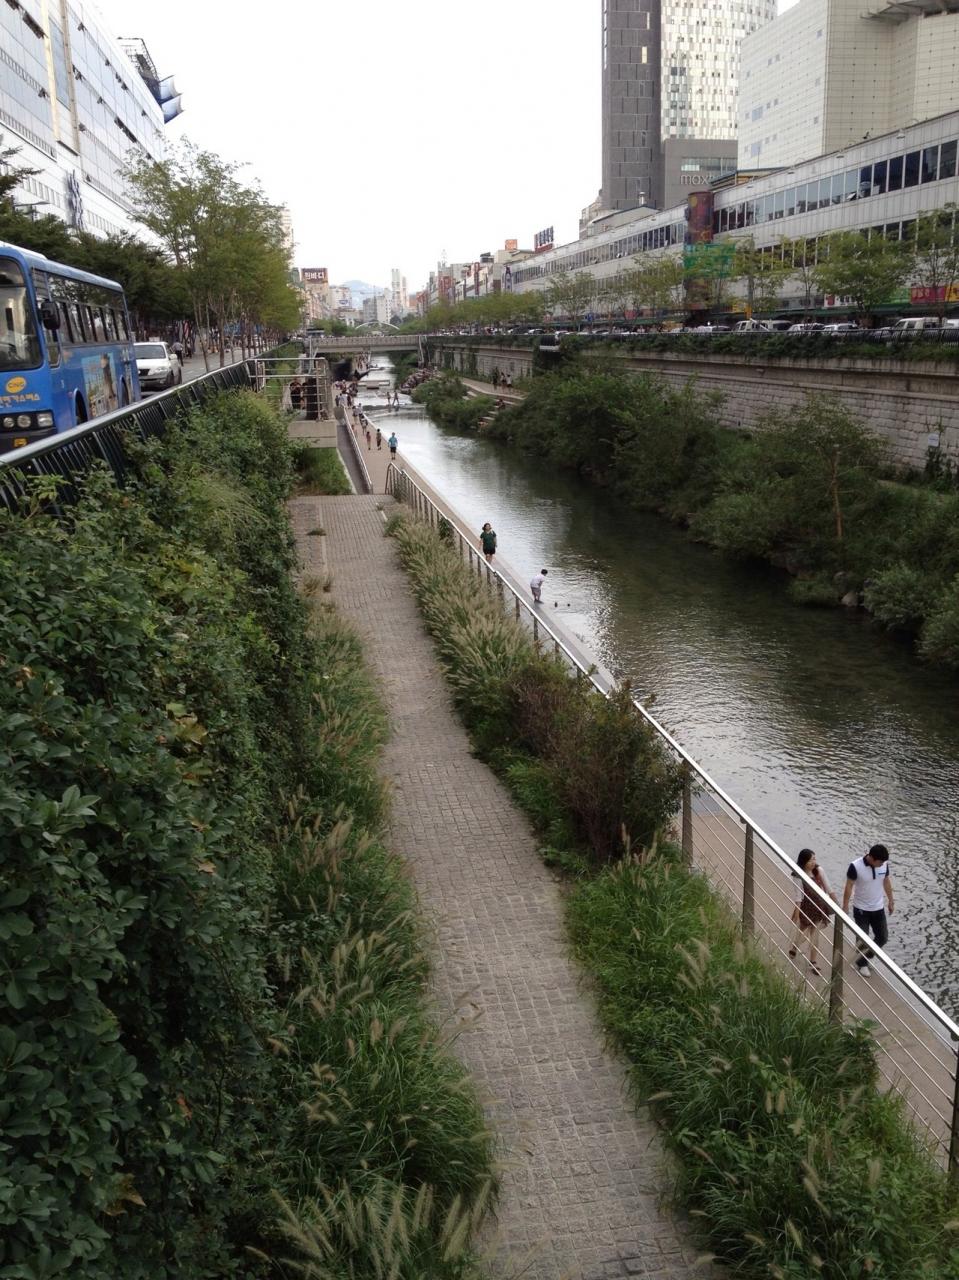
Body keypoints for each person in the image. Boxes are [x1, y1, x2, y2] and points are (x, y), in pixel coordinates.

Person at [842, 844, 894, 977]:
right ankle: (862, 964)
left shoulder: (883, 865)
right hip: (861, 909)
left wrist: (891, 900)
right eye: (880, 862)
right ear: (872, 858)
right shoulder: (855, 866)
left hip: (878, 908)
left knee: (882, 937)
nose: (882, 864)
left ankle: (865, 956)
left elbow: (886, 881)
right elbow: (849, 886)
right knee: (862, 938)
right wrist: (845, 906)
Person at [788, 848, 836, 977]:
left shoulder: (819, 871)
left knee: (815, 934)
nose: (813, 862)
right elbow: (799, 897)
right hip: (806, 907)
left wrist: (837, 906)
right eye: (810, 860)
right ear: (803, 862)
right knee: (803, 929)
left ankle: (813, 961)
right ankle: (795, 946)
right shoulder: (798, 876)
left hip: (819, 907)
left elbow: (829, 888)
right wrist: (796, 913)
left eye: (814, 859)